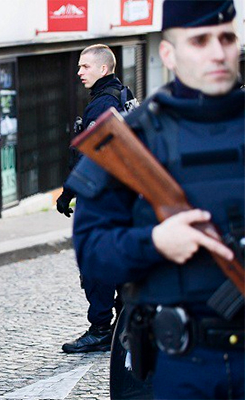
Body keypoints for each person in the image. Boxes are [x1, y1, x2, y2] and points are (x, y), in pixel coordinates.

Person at [71, 1, 243, 398]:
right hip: (181, 363)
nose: (218, 52)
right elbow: (92, 253)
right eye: (199, 41)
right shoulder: (130, 142)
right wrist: (155, 243)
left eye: (227, 38)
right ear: (168, 53)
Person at [58, 44, 137, 354]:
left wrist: (68, 192)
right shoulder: (123, 96)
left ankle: (101, 328)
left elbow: (90, 157)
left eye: (85, 66)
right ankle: (123, 322)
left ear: (103, 69)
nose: (79, 72)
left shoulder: (103, 104)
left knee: (95, 263)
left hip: (104, 197)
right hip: (124, 195)